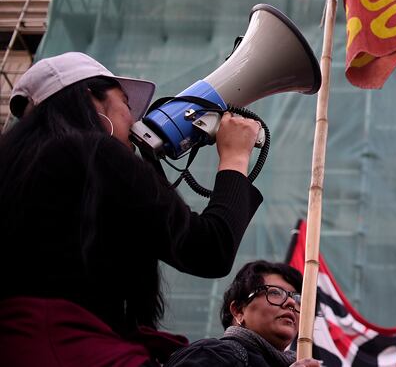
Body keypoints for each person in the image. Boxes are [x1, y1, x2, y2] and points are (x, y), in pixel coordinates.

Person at [0, 52, 264, 366]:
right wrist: (235, 157)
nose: (133, 120)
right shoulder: (95, 151)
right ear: (92, 100)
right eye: (125, 103)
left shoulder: (21, 165)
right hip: (68, 344)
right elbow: (209, 249)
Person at [165, 260, 321, 367]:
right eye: (275, 292)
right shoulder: (211, 354)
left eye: (298, 299)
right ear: (238, 310)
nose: (291, 302)